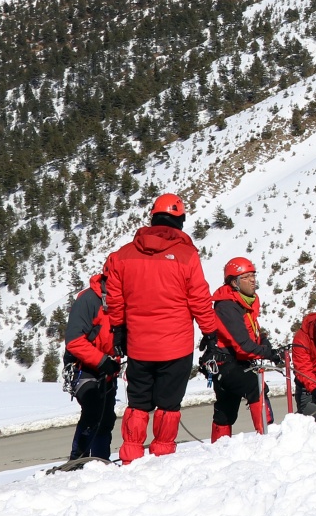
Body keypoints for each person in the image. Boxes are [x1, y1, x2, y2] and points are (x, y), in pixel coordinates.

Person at [104, 193, 222, 463]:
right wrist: (210, 333)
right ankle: (162, 459)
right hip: (175, 347)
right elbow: (199, 298)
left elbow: (115, 297)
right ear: (179, 221)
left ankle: (130, 458)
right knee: (168, 406)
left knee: (138, 404)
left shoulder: (124, 255)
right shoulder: (186, 255)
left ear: (153, 217)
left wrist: (119, 330)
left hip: (139, 346)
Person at [210, 256, 284, 441]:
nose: (253, 280)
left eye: (253, 275)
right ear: (234, 282)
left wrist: (264, 341)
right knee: (255, 386)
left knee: (226, 408)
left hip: (234, 362)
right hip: (227, 361)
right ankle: (266, 437)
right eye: (246, 277)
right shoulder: (227, 306)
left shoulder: (245, 301)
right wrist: (269, 353)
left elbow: (251, 331)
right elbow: (242, 345)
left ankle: (218, 446)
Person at [63, 264, 120, 461]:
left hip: (108, 368)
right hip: (83, 367)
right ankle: (77, 460)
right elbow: (74, 341)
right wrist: (102, 360)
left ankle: (101, 461)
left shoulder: (122, 299)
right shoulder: (88, 300)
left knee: (105, 418)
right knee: (94, 410)